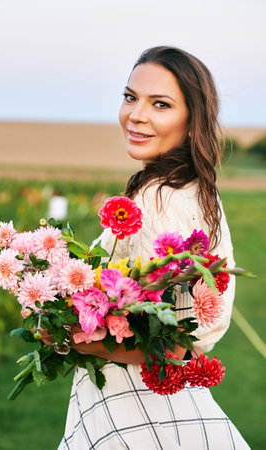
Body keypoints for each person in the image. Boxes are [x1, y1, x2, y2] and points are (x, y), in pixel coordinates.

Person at [58, 46, 249, 449]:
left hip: (141, 408)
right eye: (131, 97)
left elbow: (174, 341)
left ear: (192, 119)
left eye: (159, 104)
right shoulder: (191, 189)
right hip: (143, 399)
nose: (136, 115)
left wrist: (65, 333)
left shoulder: (160, 199)